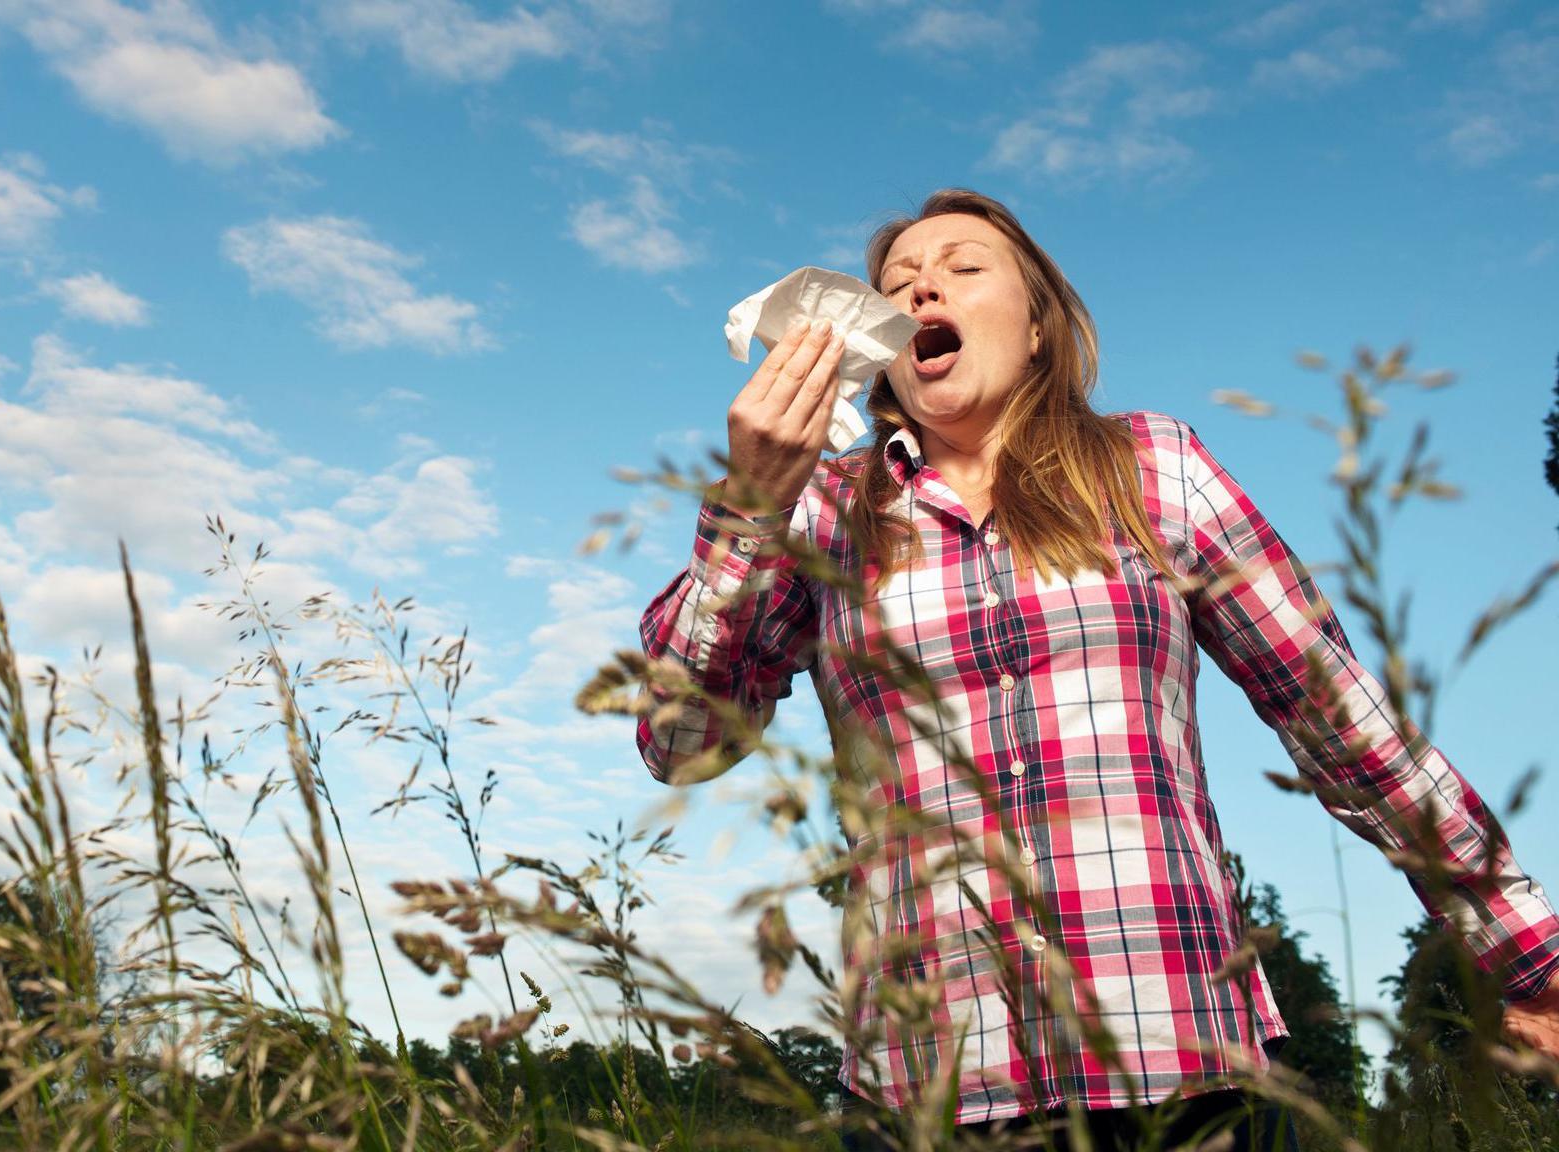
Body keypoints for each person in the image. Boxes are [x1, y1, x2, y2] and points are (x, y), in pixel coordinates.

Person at [635, 188, 1559, 1150]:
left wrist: (1521, 948)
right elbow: (677, 741)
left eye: (961, 266)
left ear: (1037, 325)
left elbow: (1340, 720)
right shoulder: (823, 510)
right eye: (897, 284)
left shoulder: (1152, 468)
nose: (921, 291)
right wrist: (750, 507)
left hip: (1186, 1071)